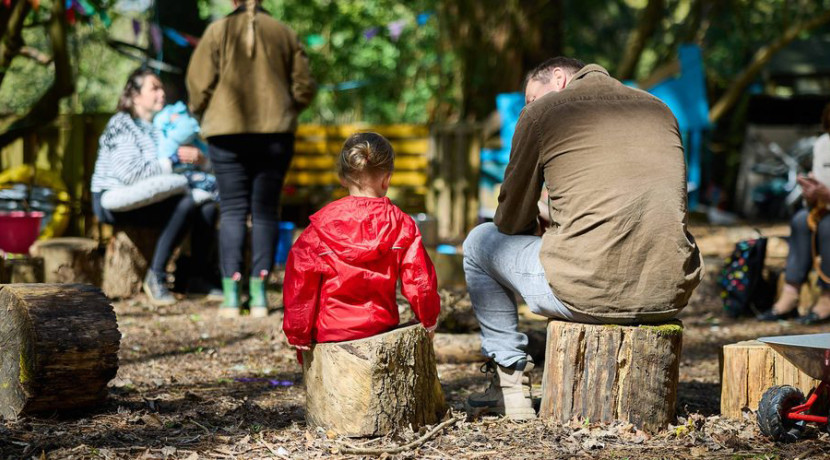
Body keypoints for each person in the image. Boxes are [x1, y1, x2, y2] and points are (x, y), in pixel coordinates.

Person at [463, 57, 704, 420]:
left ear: (559, 78)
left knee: (479, 242)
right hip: (668, 292)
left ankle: (510, 387)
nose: (528, 107)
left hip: (586, 291)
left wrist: (541, 220)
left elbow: (510, 219)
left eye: (531, 98)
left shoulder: (542, 113)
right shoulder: (658, 109)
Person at [186, 0, 316, 318]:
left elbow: (198, 85)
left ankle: (231, 297)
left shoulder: (216, 31)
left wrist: (206, 111)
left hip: (225, 133)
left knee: (232, 210)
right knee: (266, 212)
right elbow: (304, 86)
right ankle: (258, 297)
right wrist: (285, 109)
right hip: (275, 134)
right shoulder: (284, 33)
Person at [282, 133, 440, 354]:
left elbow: (300, 281)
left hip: (330, 332)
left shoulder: (319, 228)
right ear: (387, 179)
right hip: (382, 328)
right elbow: (419, 279)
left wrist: (298, 331)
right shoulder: (402, 225)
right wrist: (428, 319)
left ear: (342, 178)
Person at [91, 68, 219, 306]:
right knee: (186, 202)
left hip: (149, 197)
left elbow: (170, 169)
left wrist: (199, 160)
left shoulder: (157, 127)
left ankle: (194, 277)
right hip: (112, 200)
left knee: (208, 207)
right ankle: (156, 276)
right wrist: (173, 161)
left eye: (162, 88)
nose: (162, 93)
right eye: (154, 88)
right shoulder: (121, 124)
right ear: (135, 95)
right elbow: (130, 174)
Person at [760, 103, 830, 325]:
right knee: (800, 220)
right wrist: (811, 193)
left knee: (828, 227)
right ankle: (790, 294)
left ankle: (827, 298)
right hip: (823, 207)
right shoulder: (823, 144)